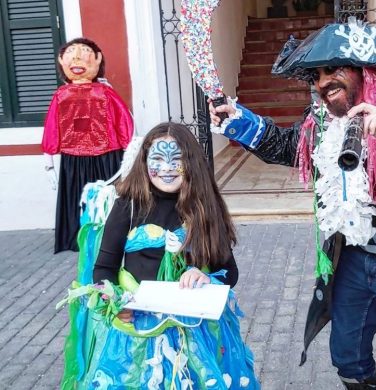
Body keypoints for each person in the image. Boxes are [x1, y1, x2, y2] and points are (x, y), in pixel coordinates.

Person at [209, 19, 376, 390]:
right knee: (347, 357)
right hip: (352, 256)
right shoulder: (323, 118)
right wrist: (239, 121)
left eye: (334, 69)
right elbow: (291, 148)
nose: (322, 83)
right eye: (317, 75)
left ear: (365, 69)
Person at [58, 123, 259, 389]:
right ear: (144, 162)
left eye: (176, 160)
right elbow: (104, 268)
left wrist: (206, 276)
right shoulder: (127, 206)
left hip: (197, 332)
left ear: (192, 164)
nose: (166, 168)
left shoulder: (204, 208)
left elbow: (230, 273)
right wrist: (116, 302)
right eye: (157, 159)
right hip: (139, 333)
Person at [41, 38, 134, 253]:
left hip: (107, 155)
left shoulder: (106, 93)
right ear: (61, 60)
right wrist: (48, 162)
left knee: (109, 197)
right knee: (78, 199)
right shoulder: (60, 96)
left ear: (97, 58)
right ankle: (79, 237)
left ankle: (110, 235)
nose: (76, 57)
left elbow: (124, 122)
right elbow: (52, 127)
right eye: (71, 53)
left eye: (84, 52)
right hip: (74, 157)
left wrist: (129, 154)